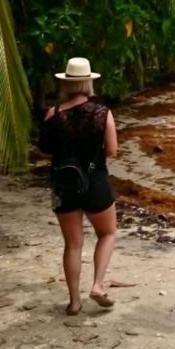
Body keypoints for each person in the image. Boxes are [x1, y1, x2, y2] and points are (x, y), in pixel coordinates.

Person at [38, 57, 118, 315]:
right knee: (107, 233)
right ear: (89, 82)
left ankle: (74, 302)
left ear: (66, 83)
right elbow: (113, 151)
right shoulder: (102, 113)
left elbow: (44, 151)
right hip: (95, 180)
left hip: (64, 183)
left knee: (72, 244)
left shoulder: (53, 114)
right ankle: (97, 285)